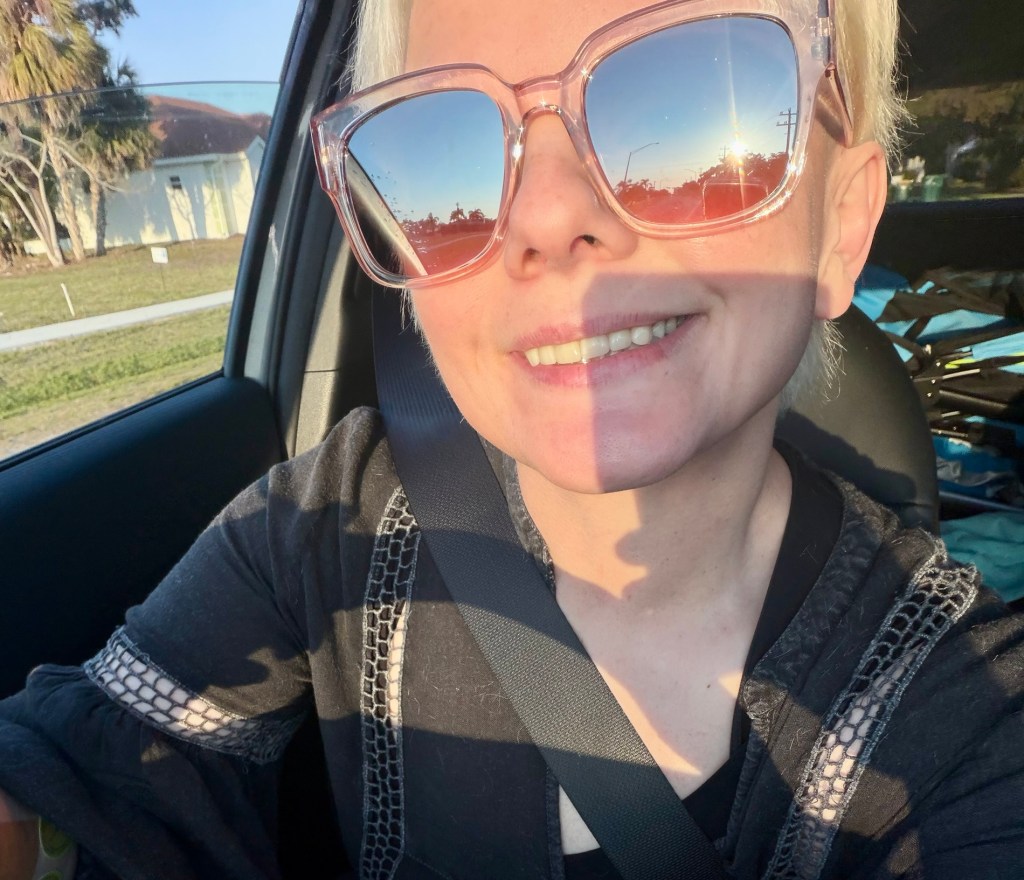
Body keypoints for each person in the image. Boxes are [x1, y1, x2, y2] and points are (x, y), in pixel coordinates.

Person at [2, 0, 1023, 878]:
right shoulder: (325, 521)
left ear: (841, 225)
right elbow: (82, 776)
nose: (544, 216)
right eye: (444, 153)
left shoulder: (963, 711)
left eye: (683, 130)